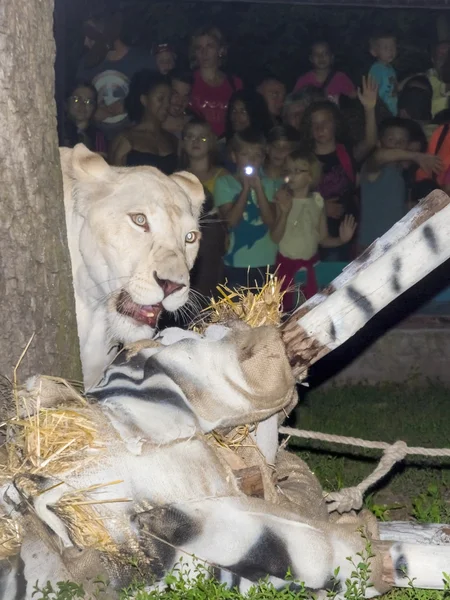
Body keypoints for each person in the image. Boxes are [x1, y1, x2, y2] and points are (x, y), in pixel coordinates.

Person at [299, 76, 378, 261]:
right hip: (315, 239)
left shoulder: (346, 154)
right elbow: (289, 196)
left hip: (350, 235)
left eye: (325, 122)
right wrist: (320, 207)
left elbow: (370, 142)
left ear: (335, 124)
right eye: (314, 124)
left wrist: (369, 109)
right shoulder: (302, 159)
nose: (320, 128)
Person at [272, 150, 356, 309]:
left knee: (309, 311)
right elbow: (275, 237)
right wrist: (283, 213)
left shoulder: (317, 201)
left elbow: (322, 239)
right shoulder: (283, 198)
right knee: (286, 312)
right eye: (288, 170)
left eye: (297, 171)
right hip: (286, 268)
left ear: (310, 176)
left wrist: (341, 239)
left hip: (311, 267)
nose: (291, 175)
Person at [359, 117, 442, 252]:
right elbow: (381, 156)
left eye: (402, 142)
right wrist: (417, 156)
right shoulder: (372, 167)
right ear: (380, 143)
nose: (397, 145)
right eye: (391, 140)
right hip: (370, 248)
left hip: (393, 246)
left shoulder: (400, 173)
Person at [214, 129, 278, 289]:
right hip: (236, 264)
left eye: (257, 155)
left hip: (267, 261)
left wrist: (259, 189)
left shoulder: (269, 184)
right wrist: (245, 189)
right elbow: (230, 222)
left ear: (263, 158)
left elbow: (270, 220)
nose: (251, 160)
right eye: (245, 154)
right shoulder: (224, 183)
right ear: (234, 156)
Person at [77, 12, 156, 140]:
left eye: (91, 36)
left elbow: (158, 103)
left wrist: (130, 105)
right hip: (96, 142)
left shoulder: (144, 61)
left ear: (108, 34)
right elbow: (74, 103)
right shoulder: (86, 64)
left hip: (137, 141)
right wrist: (91, 112)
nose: (86, 42)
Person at [179, 118, 228, 298]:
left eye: (202, 138)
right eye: (190, 137)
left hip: (213, 246)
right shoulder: (177, 176)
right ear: (183, 142)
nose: (196, 141)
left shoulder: (222, 175)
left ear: (212, 143)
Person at [109, 70, 177, 174]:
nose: (167, 104)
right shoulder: (126, 139)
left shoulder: (172, 140)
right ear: (144, 100)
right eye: (161, 98)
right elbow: (113, 181)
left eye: (169, 99)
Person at [189, 26, 243, 138]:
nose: (204, 52)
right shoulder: (188, 81)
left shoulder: (235, 84)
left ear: (221, 50)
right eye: (199, 48)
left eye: (210, 46)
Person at [294, 40, 356, 105]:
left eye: (325, 53)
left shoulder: (340, 78)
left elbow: (353, 97)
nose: (321, 57)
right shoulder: (303, 80)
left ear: (332, 57)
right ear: (311, 59)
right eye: (316, 54)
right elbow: (294, 102)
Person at [62, 83, 106, 154]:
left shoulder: (98, 136)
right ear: (66, 103)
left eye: (88, 102)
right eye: (76, 99)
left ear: (94, 107)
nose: (82, 105)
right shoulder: (59, 131)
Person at [368, 31, 398, 116]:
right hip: (381, 112)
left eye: (393, 47)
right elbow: (372, 92)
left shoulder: (390, 68)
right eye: (386, 48)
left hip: (392, 111)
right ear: (374, 52)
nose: (391, 51)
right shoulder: (376, 69)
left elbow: (394, 88)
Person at [163, 70, 194, 138]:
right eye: (175, 94)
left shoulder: (194, 127)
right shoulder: (149, 125)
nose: (180, 102)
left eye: (185, 97)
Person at [427, 41, 450, 118]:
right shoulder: (425, 80)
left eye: (448, 54)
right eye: (441, 54)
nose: (446, 58)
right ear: (433, 59)